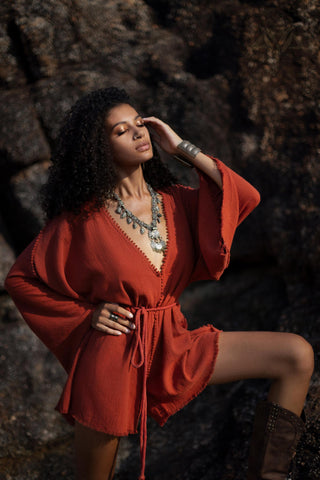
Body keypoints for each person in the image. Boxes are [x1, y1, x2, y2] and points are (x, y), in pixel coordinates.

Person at [5, 87, 314, 480]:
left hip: (175, 343)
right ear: (97, 148)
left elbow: (245, 195)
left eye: (140, 124)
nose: (139, 133)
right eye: (122, 130)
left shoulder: (175, 201)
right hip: (113, 356)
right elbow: (21, 279)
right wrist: (87, 316)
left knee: (296, 355)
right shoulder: (80, 221)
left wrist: (181, 147)